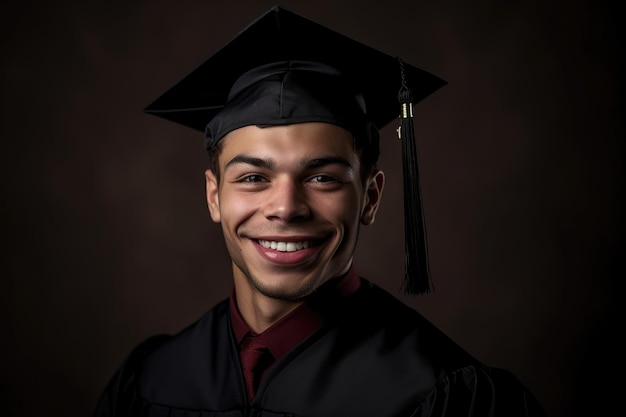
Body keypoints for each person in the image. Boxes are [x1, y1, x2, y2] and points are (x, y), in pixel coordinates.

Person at [94, 6, 546, 417]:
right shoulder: (152, 380)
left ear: (370, 197)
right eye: (253, 177)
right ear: (213, 196)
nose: (286, 208)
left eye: (322, 177)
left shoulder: (444, 395)